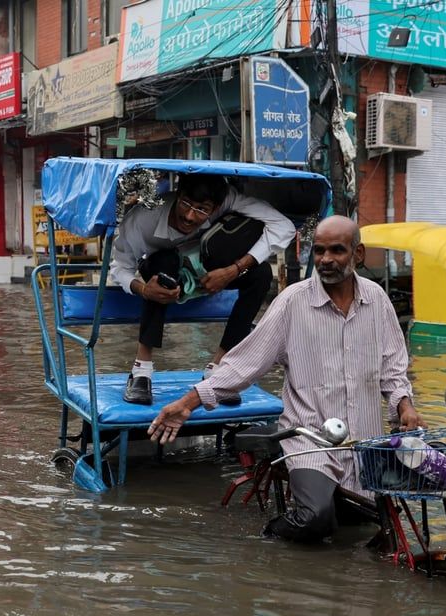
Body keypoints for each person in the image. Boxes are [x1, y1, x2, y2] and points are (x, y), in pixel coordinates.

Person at [148, 216, 424, 543]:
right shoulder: (293, 302)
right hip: (309, 439)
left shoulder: (376, 300)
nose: (325, 259)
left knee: (380, 531)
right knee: (315, 519)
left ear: (358, 254)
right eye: (319, 251)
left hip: (363, 442)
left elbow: (393, 368)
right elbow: (243, 364)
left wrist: (405, 408)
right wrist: (187, 403)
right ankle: (270, 541)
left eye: (337, 250)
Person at [109, 173, 295, 406]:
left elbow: (284, 226)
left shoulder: (228, 200)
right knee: (163, 268)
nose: (189, 216)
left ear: (216, 207)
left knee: (261, 273)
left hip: (208, 268)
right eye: (185, 204)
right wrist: (145, 290)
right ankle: (141, 370)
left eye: (201, 209)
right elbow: (119, 267)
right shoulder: (142, 218)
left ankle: (219, 368)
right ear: (178, 195)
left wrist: (233, 270)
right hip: (165, 273)